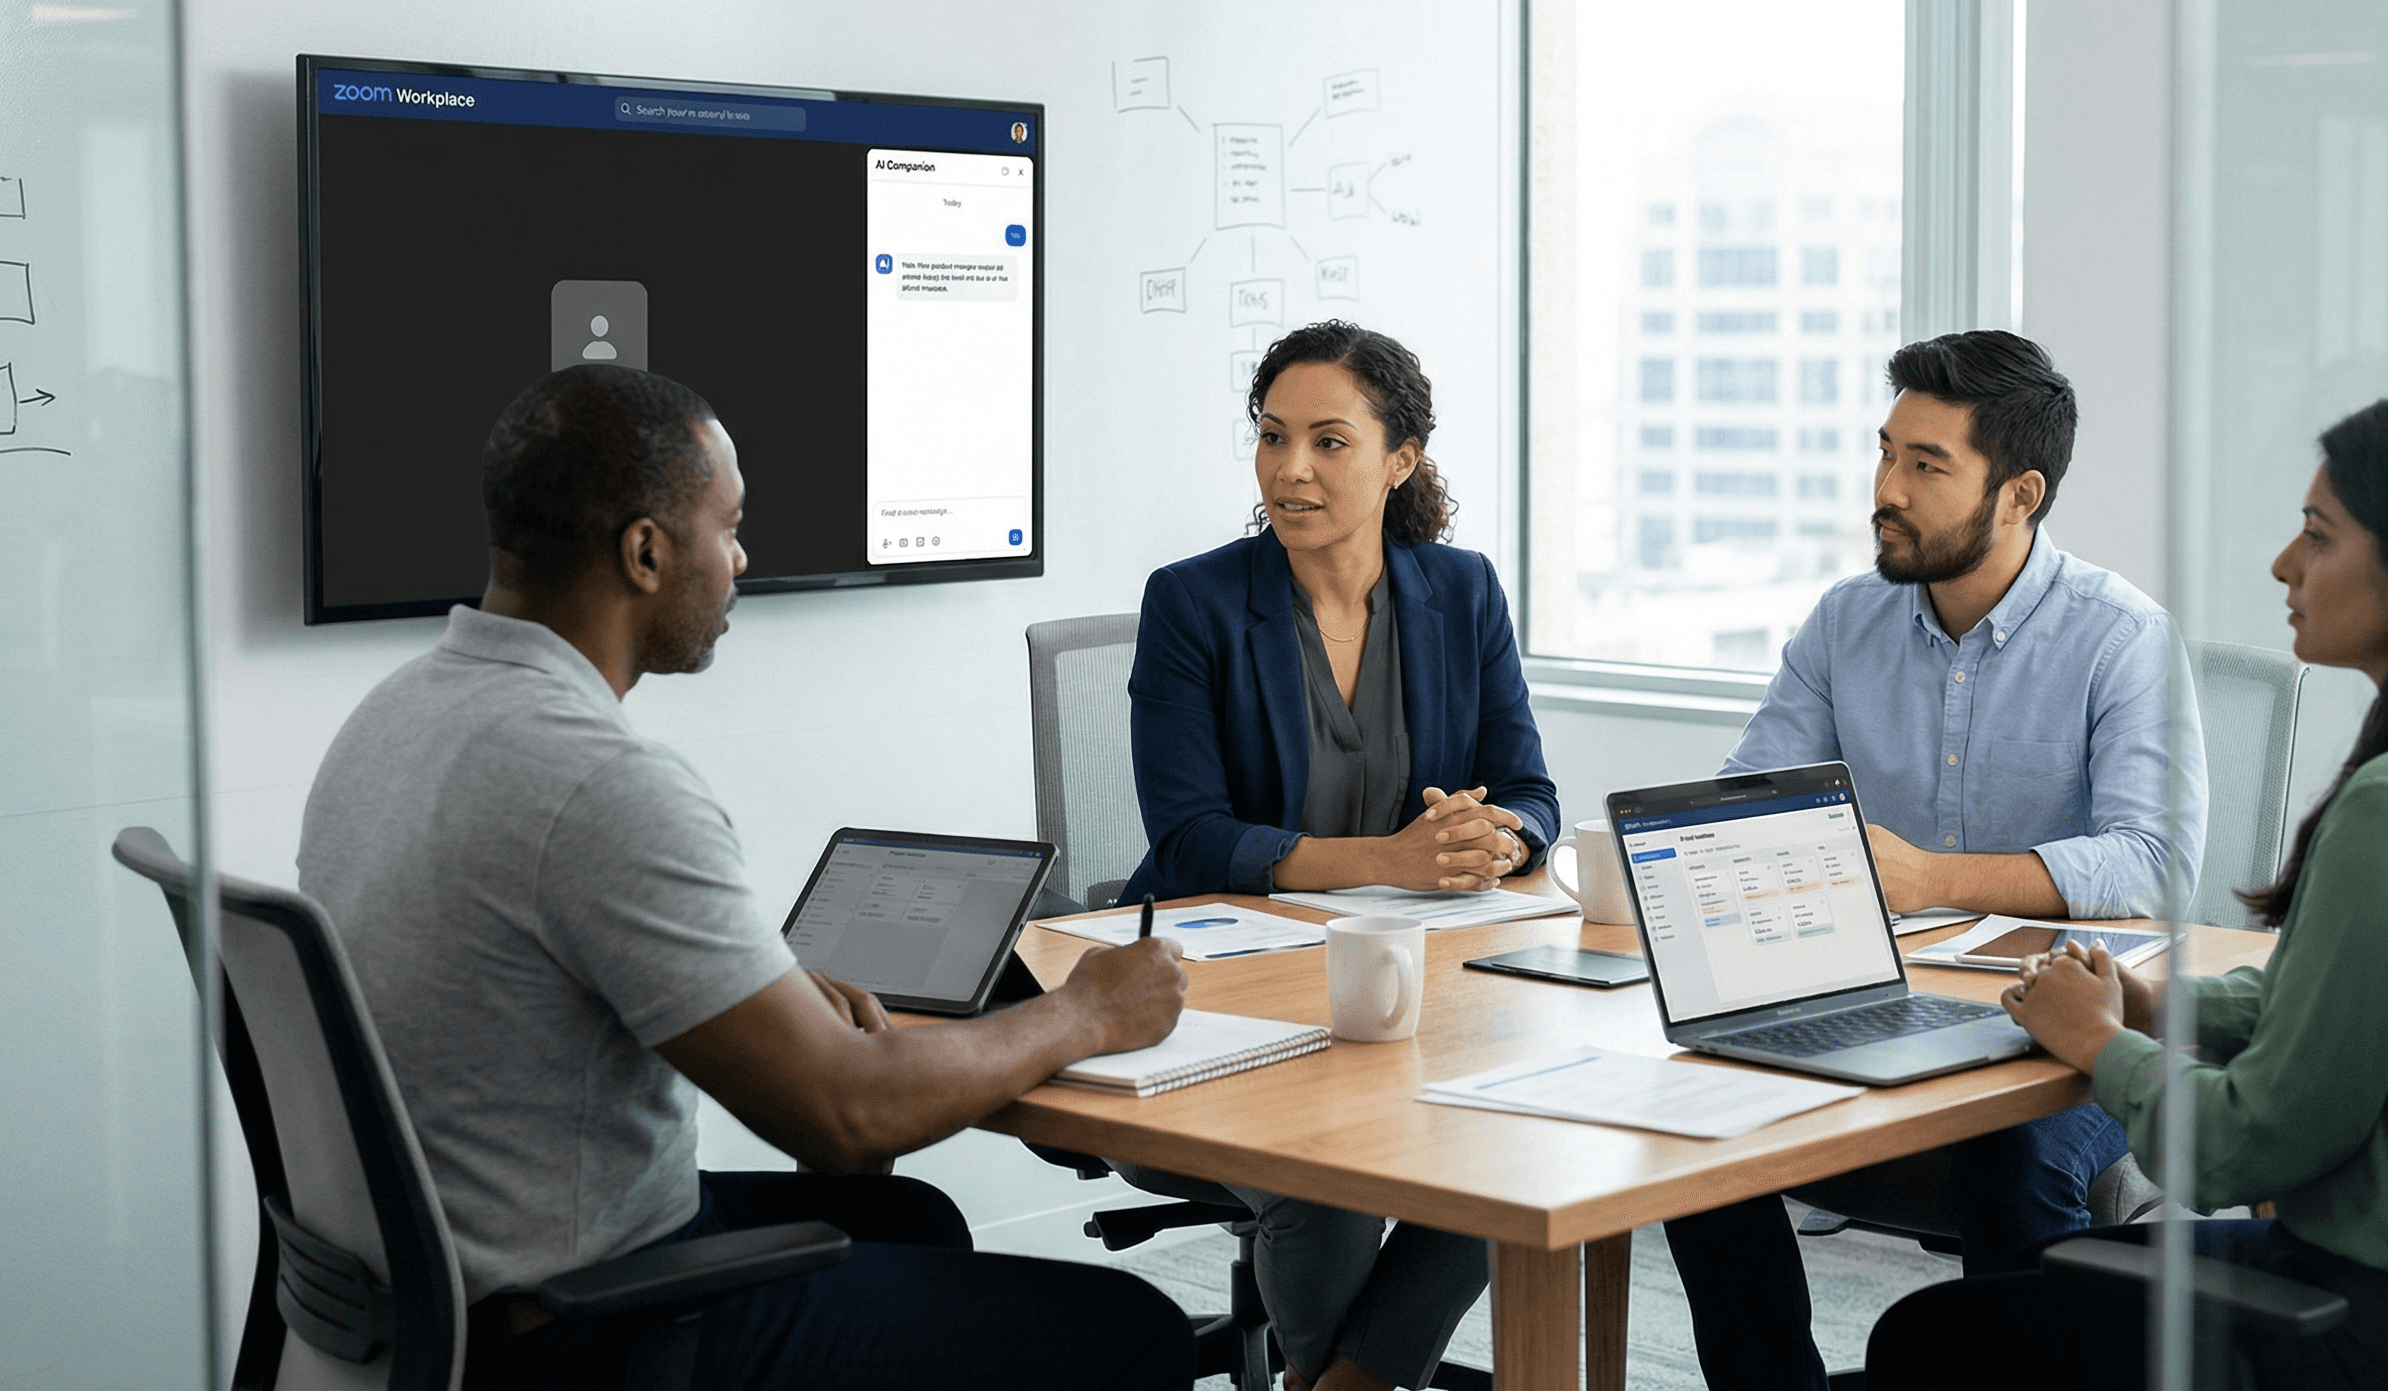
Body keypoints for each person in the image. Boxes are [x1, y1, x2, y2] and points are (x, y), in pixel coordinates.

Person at [296, 365, 1197, 1391]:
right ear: (646, 552)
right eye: (727, 528)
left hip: (437, 1288)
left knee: (907, 1222)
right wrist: (1087, 1013)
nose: (740, 560)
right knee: (1138, 1332)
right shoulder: (599, 783)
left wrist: (770, 1007)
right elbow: (844, 1115)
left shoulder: (396, 712)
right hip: (576, 1327)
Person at [1863, 392, 2388, 1389]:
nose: (2283, 565)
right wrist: (2157, 1005)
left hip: (2375, 1321)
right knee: (2061, 1281)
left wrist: (2100, 1044)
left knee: (1922, 1341)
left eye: (2317, 535)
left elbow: (2238, 1152)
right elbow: (2344, 1002)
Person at [1660, 330, 2209, 1391]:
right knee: (1691, 1124)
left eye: (1927, 465)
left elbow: (2154, 862)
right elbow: (1754, 799)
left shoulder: (2119, 636)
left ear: (2019, 495)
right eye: (1884, 452)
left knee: (2011, 1162)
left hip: (2063, 1021)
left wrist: (1933, 877)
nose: (1887, 490)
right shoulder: (1844, 622)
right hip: (1875, 997)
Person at [1118, 321, 1559, 1391]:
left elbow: (1532, 791)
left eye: (1328, 441)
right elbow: (1189, 839)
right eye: (1272, 437)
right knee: (1331, 1175)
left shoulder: (1461, 591)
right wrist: (1392, 861)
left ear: (1400, 459)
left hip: (1411, 992)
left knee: (1526, 1128)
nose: (1291, 469)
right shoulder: (1194, 601)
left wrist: (1494, 839)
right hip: (1218, 996)